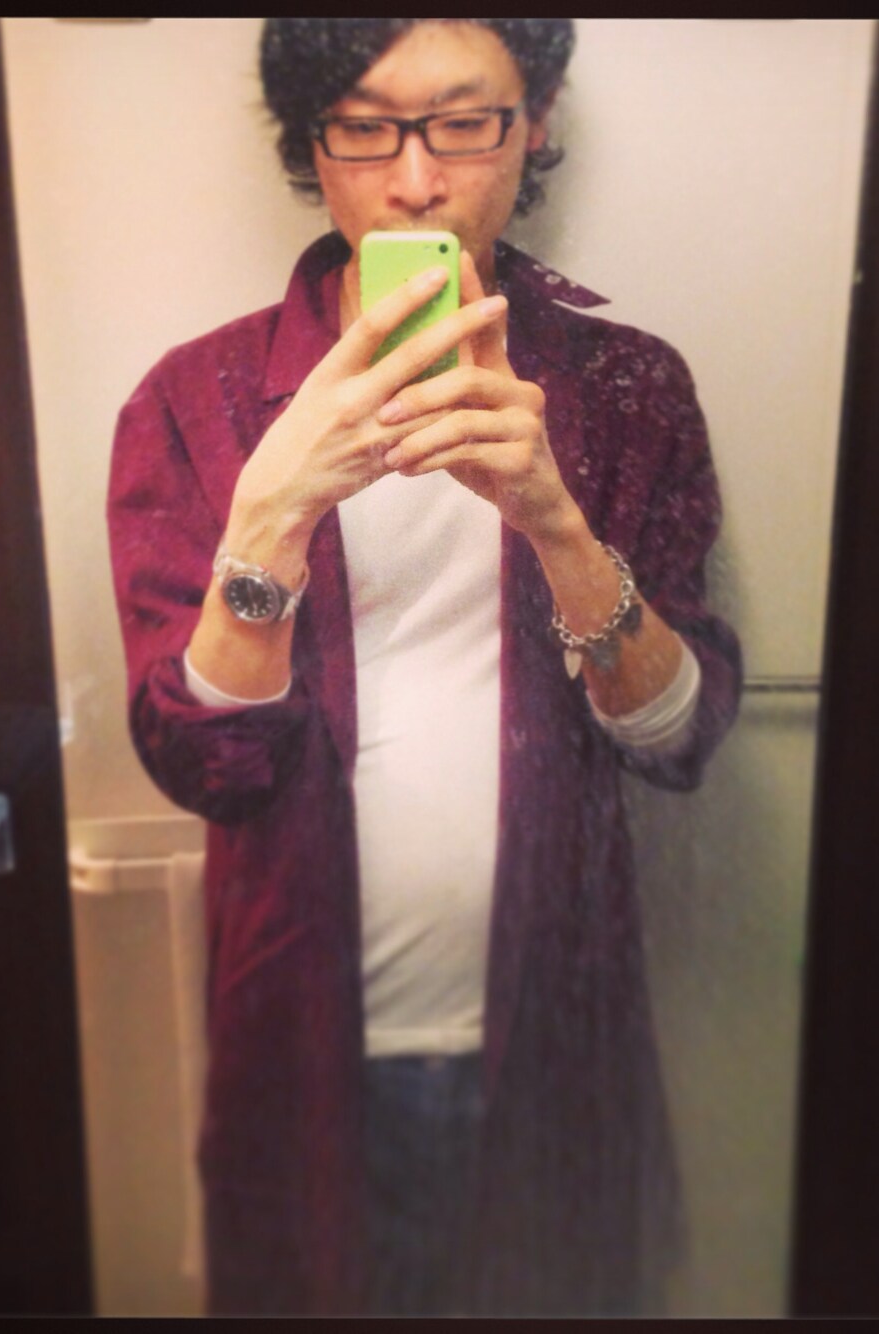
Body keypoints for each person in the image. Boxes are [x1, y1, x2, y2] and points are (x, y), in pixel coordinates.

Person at [107, 18, 741, 1317]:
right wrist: (271, 513)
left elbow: (678, 742)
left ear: (535, 120)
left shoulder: (630, 388)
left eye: (462, 122)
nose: (413, 181)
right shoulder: (194, 399)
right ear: (313, 140)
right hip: (304, 1050)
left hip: (560, 1039)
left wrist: (557, 523)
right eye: (365, 127)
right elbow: (202, 764)